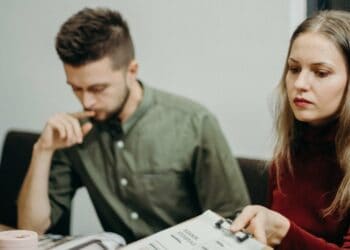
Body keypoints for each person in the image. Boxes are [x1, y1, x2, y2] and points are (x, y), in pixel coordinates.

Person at [17, 7, 249, 242]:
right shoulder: (76, 132)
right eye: (76, 88)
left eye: (98, 89)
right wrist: (42, 151)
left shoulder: (195, 123)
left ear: (132, 70)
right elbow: (31, 229)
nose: (86, 101)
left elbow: (233, 221)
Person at [230, 10, 350, 249]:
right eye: (294, 69)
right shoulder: (289, 151)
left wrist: (283, 232)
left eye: (321, 73)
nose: (300, 84)